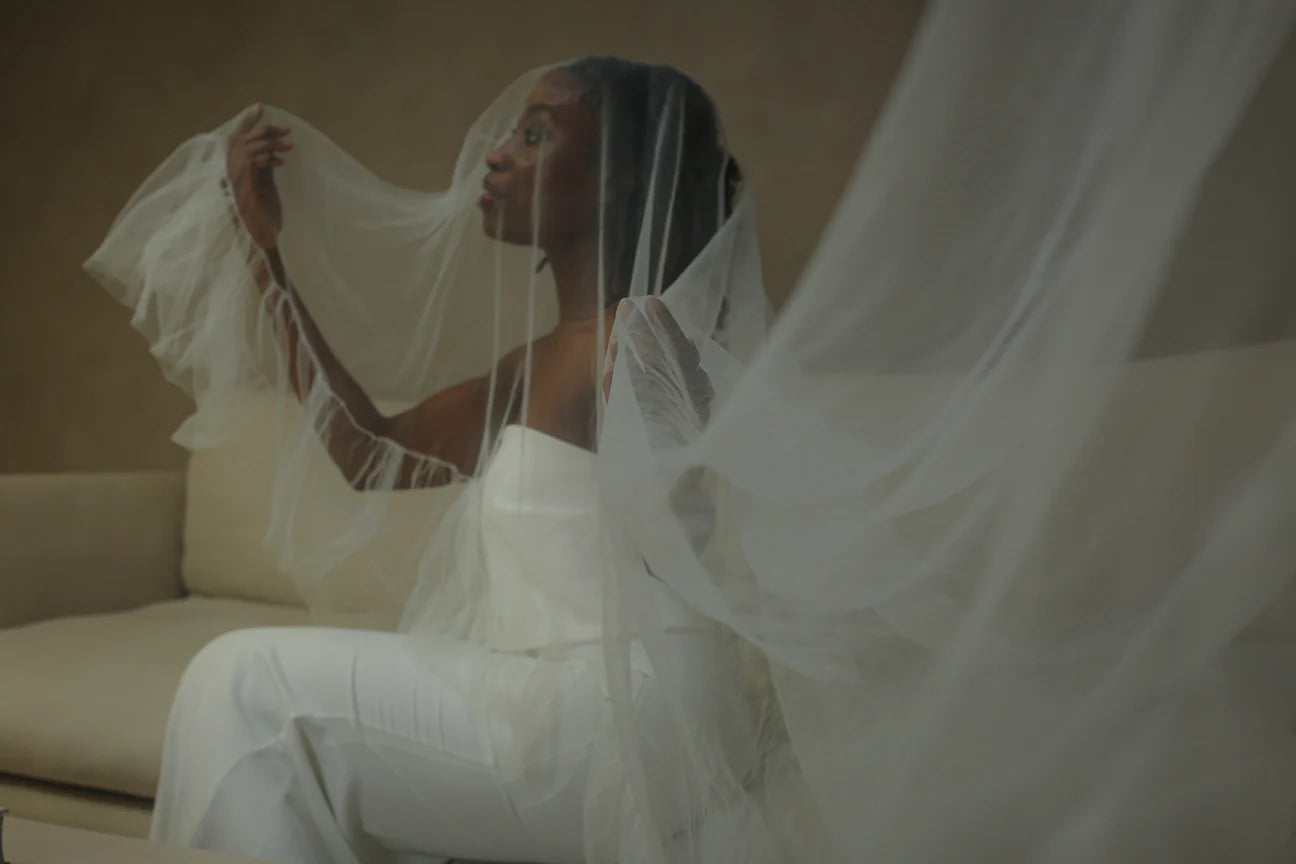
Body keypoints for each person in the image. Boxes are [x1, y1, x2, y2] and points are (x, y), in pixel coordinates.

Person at [119, 58, 753, 864]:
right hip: (563, 697)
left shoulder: (642, 339)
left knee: (241, 682)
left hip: (623, 718)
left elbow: (689, 507)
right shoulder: (537, 362)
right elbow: (366, 450)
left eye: (534, 134)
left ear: (616, 179)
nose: (496, 154)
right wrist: (263, 255)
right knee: (245, 688)